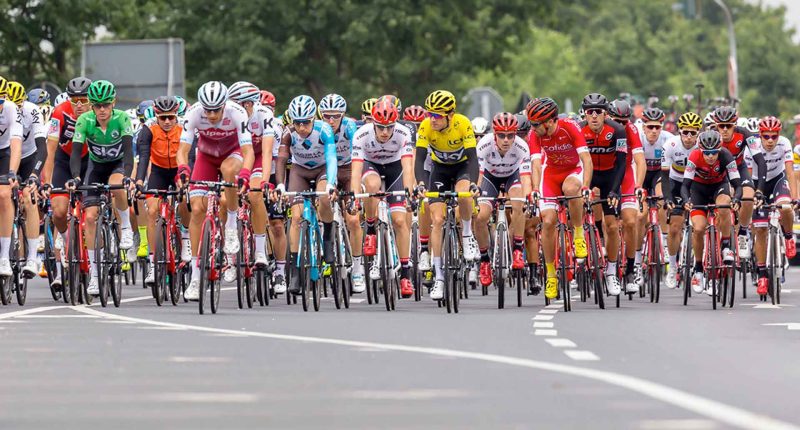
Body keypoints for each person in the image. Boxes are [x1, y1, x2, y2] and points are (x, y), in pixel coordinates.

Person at [177, 81, 254, 301]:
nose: (211, 115)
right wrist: (183, 168)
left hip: (232, 154)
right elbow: (183, 150)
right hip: (206, 157)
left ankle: (230, 224)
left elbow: (248, 150)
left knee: (229, 169)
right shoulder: (193, 113)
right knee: (198, 210)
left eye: (216, 110)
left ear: (224, 105)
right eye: (207, 110)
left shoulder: (237, 112)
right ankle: (195, 276)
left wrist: (246, 173)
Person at [66, 80, 136, 295]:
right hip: (96, 167)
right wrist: (76, 177)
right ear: (92, 106)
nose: (102, 110)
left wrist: (127, 175)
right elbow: (76, 153)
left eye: (106, 105)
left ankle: (125, 228)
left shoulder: (122, 118)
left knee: (117, 185)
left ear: (113, 102)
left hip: (117, 164)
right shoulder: (84, 120)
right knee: (89, 218)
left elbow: (128, 151)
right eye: (97, 105)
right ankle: (95, 276)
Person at [413, 90, 479, 300]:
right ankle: (439, 277)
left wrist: (474, 184)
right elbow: (420, 159)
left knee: (464, 195)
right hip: (439, 170)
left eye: (437, 115)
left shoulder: (462, 123)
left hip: (462, 168)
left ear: (450, 115)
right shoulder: (425, 126)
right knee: (438, 219)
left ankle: (467, 234)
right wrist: (421, 183)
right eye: (430, 114)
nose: (432, 119)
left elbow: (473, 159)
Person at [350, 100, 416, 297]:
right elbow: (355, 172)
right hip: (371, 166)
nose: (385, 132)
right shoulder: (361, 134)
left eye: (389, 127)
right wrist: (355, 197)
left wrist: (409, 193)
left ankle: (405, 274)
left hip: (395, 168)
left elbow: (408, 168)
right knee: (371, 185)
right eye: (381, 127)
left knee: (399, 221)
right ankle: (370, 227)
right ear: (373, 124)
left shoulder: (404, 133)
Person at [527, 98, 592, 299]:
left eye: (536, 124)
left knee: (571, 188)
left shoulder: (569, 127)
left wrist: (586, 186)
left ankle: (578, 234)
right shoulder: (534, 135)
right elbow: (536, 165)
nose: (533, 128)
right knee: (547, 221)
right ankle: (551, 275)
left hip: (573, 171)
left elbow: (586, 160)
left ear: (549, 121)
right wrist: (536, 188)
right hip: (551, 175)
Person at [274, 95, 337, 295]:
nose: (301, 128)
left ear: (313, 119)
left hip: (322, 169)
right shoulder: (288, 133)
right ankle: (294, 269)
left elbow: (332, 157)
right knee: (296, 217)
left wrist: (331, 184)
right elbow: (281, 161)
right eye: (297, 123)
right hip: (299, 171)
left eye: (306, 123)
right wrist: (280, 186)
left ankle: (327, 237)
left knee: (325, 198)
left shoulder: (324, 129)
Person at [579, 93, 632, 295]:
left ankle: (611, 272)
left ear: (605, 114)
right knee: (576, 214)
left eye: (598, 112)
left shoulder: (617, 130)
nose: (593, 116)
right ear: (584, 113)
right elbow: (576, 162)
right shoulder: (579, 130)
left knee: (611, 226)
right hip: (588, 176)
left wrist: (614, 190)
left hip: (610, 176)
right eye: (589, 112)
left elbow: (621, 164)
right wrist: (584, 185)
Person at [136, 96, 192, 285]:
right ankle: (153, 264)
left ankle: (185, 238)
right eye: (163, 118)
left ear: (177, 115)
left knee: (185, 197)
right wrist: (139, 181)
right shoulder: (148, 128)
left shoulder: (185, 126)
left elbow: (191, 155)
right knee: (152, 210)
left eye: (171, 117)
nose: (167, 122)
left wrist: (187, 179)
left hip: (179, 169)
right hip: (159, 171)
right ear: (156, 116)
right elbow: (143, 157)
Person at [681, 130, 742, 295]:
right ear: (701, 149)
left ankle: (725, 245)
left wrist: (736, 199)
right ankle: (699, 268)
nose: (710, 156)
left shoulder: (726, 156)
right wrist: (687, 200)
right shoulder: (694, 156)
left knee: (724, 205)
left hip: (718, 187)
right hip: (698, 190)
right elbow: (685, 185)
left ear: (719, 149)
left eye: (714, 152)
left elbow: (737, 184)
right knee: (699, 228)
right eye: (706, 153)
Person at [475, 112, 532, 287]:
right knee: (480, 217)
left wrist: (528, 197)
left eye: (510, 136)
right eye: (501, 135)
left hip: (512, 177)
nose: (506, 140)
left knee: (518, 202)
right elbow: (478, 176)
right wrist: (475, 194)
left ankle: (517, 249)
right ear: (494, 135)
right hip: (489, 179)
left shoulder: (522, 147)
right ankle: (484, 261)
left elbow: (526, 177)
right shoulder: (484, 145)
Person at [6, 82, 48, 277]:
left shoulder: (32, 111)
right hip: (6, 156)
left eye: (19, 105)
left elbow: (43, 148)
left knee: (29, 198)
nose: (16, 109)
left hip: (30, 157)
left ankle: (32, 257)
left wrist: (34, 175)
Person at [713, 106, 766, 260]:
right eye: (721, 126)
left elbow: (760, 161)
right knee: (722, 204)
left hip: (739, 168)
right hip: (719, 172)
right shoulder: (711, 136)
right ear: (715, 126)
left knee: (748, 198)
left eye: (728, 125)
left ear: (735, 124)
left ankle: (743, 233)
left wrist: (760, 190)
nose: (724, 130)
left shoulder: (744, 134)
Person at [751, 116, 796, 295]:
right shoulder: (752, 146)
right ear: (760, 135)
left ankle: (788, 236)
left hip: (777, 180)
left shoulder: (784, 144)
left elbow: (790, 171)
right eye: (766, 136)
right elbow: (747, 175)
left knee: (785, 205)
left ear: (779, 135)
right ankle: (762, 274)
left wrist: (796, 198)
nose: (770, 140)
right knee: (760, 229)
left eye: (774, 136)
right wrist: (750, 196)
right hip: (756, 183)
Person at [661, 112, 701, 288]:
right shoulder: (670, 145)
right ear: (679, 131)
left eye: (693, 133)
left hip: (696, 182)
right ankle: (672, 267)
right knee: (675, 225)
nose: (689, 137)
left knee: (700, 224)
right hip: (676, 181)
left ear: (699, 133)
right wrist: (668, 197)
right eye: (685, 132)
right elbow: (664, 175)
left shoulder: (702, 145)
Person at [0, 77, 24, 276]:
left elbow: (16, 146)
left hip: (5, 152)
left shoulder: (10, 109)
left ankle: (4, 258)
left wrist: (12, 173)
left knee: (4, 195)